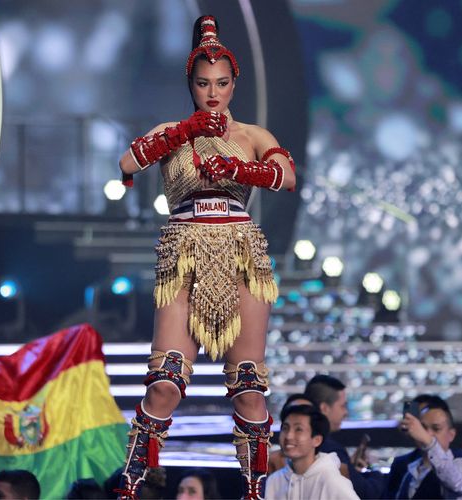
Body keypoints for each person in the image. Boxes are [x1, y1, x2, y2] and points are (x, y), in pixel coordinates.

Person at [116, 14, 296, 500]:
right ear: (190, 85)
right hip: (183, 252)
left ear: (234, 82)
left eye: (220, 83)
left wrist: (240, 167)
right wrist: (184, 133)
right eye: (202, 84)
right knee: (165, 383)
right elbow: (128, 162)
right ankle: (132, 485)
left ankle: (256, 491)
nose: (212, 93)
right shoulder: (173, 130)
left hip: (240, 252)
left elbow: (287, 177)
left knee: (249, 387)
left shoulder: (254, 134)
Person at [385, 395, 462, 499]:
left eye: (436, 428)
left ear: (451, 434)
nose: (428, 433)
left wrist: (429, 442)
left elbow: (455, 481)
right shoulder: (408, 466)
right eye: (423, 427)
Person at [304, 375, 385, 499]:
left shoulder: (303, 444)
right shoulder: (332, 450)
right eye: (342, 406)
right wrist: (374, 467)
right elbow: (367, 493)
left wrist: (351, 469)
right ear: (324, 408)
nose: (345, 412)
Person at [266, 404, 358, 500]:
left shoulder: (331, 480)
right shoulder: (274, 480)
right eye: (285, 428)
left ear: (317, 440)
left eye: (298, 429)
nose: (289, 436)